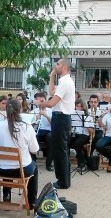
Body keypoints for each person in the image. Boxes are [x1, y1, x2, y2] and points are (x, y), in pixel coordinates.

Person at [0, 98, 39, 209]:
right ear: (20, 109)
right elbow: (35, 150)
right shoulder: (27, 127)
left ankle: (4, 195)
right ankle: (32, 202)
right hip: (22, 170)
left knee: (6, 162)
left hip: (0, 169)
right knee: (35, 167)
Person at [39, 58, 75, 189]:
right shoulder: (64, 81)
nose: (56, 65)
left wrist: (40, 103)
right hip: (60, 118)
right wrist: (52, 76)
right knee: (62, 149)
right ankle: (65, 180)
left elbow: (52, 102)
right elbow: (51, 92)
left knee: (60, 150)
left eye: (58, 64)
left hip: (61, 118)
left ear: (64, 67)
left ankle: (62, 181)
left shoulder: (65, 82)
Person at [70, 98, 94, 170]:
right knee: (65, 143)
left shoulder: (89, 116)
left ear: (84, 107)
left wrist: (86, 124)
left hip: (84, 135)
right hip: (74, 133)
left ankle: (81, 163)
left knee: (78, 143)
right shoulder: (72, 115)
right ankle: (66, 163)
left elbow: (91, 131)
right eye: (77, 106)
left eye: (81, 106)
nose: (79, 108)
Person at [32, 92, 53, 171]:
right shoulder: (34, 111)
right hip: (37, 130)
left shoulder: (50, 111)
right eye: (39, 101)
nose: (41, 103)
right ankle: (33, 163)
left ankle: (49, 164)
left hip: (48, 131)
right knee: (33, 137)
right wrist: (36, 117)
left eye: (42, 101)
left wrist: (46, 116)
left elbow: (53, 124)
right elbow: (30, 125)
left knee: (51, 138)